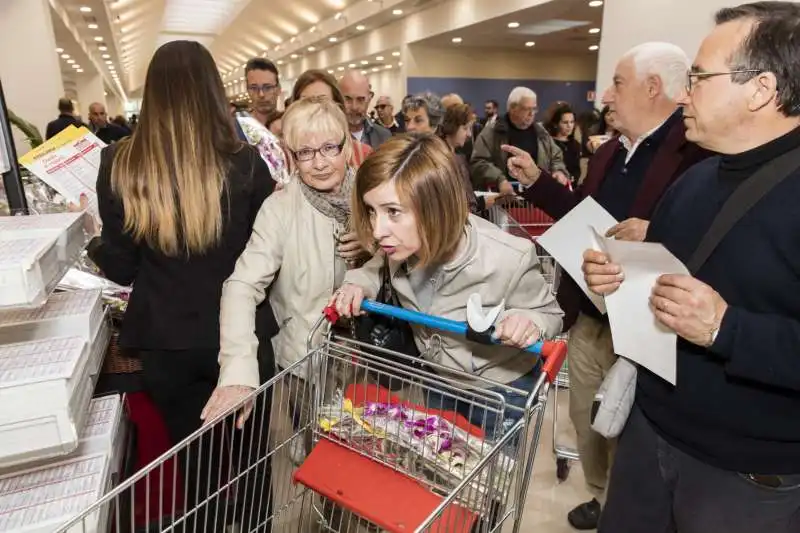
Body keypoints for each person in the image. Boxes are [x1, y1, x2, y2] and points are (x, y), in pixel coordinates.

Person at [582, 4, 800, 532]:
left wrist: (727, 329)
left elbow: (725, 320)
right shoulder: (695, 180)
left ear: (760, 89)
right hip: (649, 435)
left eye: (699, 77)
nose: (684, 94)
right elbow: (661, 288)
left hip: (746, 477)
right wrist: (614, 282)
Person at [505, 41, 710, 530]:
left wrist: (657, 229)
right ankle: (601, 494)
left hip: (647, 326)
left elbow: (707, 236)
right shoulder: (610, 152)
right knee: (586, 417)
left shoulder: (694, 155)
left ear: (653, 88)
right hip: (593, 314)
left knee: (633, 431)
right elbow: (584, 215)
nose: (607, 98)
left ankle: (628, 507)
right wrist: (536, 181)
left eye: (618, 84)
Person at [81, 40, 274, 531]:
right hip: (242, 338)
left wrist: (91, 243)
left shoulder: (120, 164)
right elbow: (272, 254)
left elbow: (122, 268)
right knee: (254, 466)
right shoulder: (247, 163)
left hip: (167, 341)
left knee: (198, 470)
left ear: (153, 94)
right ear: (213, 90)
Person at [332, 134, 563, 437]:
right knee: (439, 461)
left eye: (393, 212)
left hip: (500, 389)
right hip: (438, 377)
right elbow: (374, 269)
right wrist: (356, 284)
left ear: (435, 206)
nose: (377, 229)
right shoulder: (400, 245)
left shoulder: (509, 256)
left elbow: (550, 313)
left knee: (494, 474)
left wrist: (529, 322)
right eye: (372, 211)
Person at [213, 98, 368, 464]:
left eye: (330, 147)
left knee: (373, 445)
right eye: (305, 152)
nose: (320, 162)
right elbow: (241, 286)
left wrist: (373, 241)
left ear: (347, 144)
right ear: (289, 154)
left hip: (371, 355)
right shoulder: (279, 209)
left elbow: (417, 252)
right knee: (323, 454)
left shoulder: (374, 196)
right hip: (306, 356)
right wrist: (238, 369)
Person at [471, 87, 569, 195]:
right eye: (527, 109)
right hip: (504, 197)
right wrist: (499, 180)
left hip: (538, 198)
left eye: (534, 109)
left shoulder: (541, 133)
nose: (532, 114)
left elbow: (556, 157)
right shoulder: (492, 132)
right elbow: (479, 162)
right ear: (512, 108)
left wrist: (558, 171)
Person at [292, 69, 373, 167]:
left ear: (338, 106)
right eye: (306, 102)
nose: (314, 110)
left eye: (322, 101)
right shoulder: (284, 156)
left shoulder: (362, 154)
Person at [440, 103, 501, 215]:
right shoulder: (444, 159)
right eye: (465, 128)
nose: (468, 134)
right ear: (452, 126)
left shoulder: (452, 155)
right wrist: (482, 203)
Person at [338, 71, 391, 149]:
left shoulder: (384, 136)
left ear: (369, 99)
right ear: (338, 99)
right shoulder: (326, 137)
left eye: (360, 99)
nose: (354, 107)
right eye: (347, 99)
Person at [543, 101, 583, 183]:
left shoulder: (575, 144)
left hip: (571, 187)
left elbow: (576, 170)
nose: (569, 126)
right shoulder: (549, 143)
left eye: (572, 122)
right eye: (565, 122)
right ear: (556, 124)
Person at [245, 57, 281, 126]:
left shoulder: (289, 125)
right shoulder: (236, 128)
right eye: (254, 88)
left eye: (267, 87)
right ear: (248, 90)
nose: (261, 94)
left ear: (278, 89)